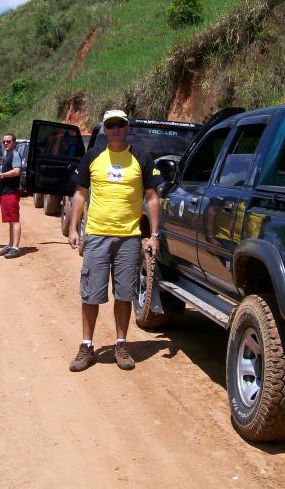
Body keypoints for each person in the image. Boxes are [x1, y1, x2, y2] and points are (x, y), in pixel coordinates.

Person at [67, 109, 161, 372]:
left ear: (127, 127)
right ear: (105, 129)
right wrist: (74, 229)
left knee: (124, 294)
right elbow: (80, 194)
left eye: (120, 124)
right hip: (97, 236)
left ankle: (121, 344)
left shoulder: (140, 158)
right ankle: (87, 346)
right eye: (111, 125)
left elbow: (153, 197)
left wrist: (153, 235)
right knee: (91, 293)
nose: (116, 129)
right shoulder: (93, 156)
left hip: (129, 239)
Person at [0, 133, 23, 259]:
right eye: (4, 141)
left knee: (14, 220)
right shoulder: (6, 154)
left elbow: (17, 171)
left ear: (14, 142)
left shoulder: (15, 154)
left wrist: (2, 175)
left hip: (11, 192)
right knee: (10, 220)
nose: (6, 143)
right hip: (5, 192)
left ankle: (15, 247)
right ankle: (10, 245)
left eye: (9, 141)